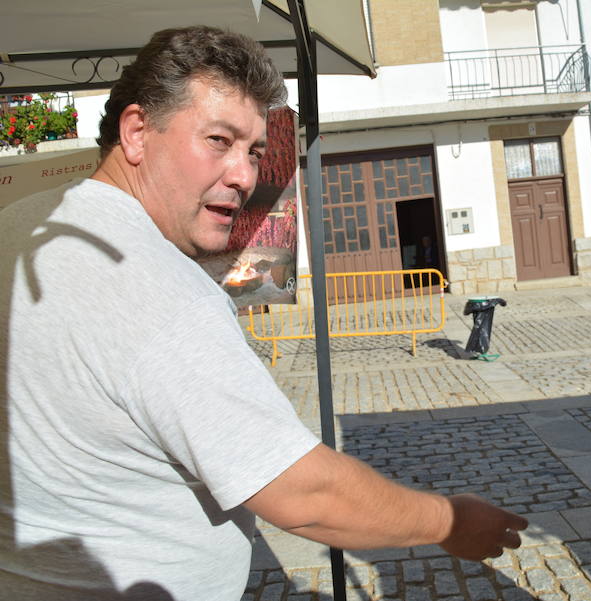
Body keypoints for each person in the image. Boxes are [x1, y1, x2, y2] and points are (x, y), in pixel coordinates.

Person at [0, 26, 526, 600]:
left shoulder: (21, 223)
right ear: (136, 133)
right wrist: (448, 521)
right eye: (218, 141)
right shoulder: (162, 291)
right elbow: (303, 495)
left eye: (252, 151)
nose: (245, 176)